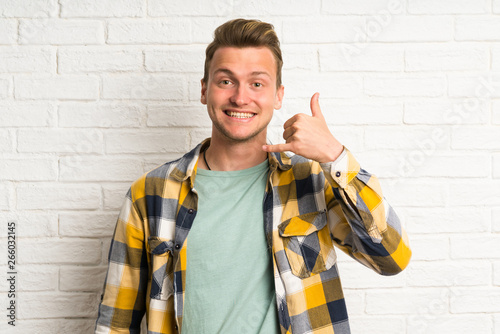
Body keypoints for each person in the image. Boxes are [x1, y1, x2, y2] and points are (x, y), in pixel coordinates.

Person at [95, 18, 411, 334]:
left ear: (278, 95)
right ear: (205, 90)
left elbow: (391, 257)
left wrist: (335, 156)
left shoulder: (310, 180)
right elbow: (115, 324)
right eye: (226, 81)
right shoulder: (150, 193)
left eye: (257, 83)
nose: (241, 98)